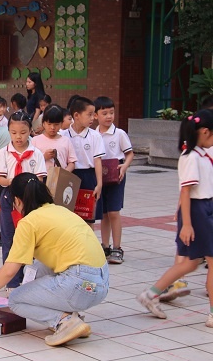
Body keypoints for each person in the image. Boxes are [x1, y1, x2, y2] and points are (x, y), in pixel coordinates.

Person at [0, 173, 109, 346]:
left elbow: (10, 269)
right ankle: (73, 316)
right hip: (101, 285)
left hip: (79, 286)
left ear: (18, 201)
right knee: (35, 267)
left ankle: (65, 322)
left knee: (16, 299)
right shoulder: (60, 210)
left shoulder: (28, 223)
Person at [136, 109, 213, 327]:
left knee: (189, 264)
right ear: (206, 132)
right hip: (197, 211)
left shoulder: (205, 153)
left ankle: (150, 294)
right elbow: (186, 193)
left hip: (207, 208)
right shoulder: (190, 157)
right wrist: (186, 224)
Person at [0, 112, 47, 286]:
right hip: (9, 197)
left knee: (30, 240)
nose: (18, 137)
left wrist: (25, 185)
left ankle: (29, 280)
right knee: (9, 239)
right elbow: (0, 179)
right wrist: (14, 182)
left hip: (30, 198)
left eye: (23, 132)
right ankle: (12, 282)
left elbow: (40, 178)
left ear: (30, 131)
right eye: (14, 132)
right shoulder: (4, 152)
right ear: (8, 131)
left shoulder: (36, 153)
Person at [94, 96, 134, 264]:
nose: (109, 116)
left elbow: (130, 153)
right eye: (105, 113)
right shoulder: (93, 134)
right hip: (99, 175)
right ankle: (105, 245)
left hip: (116, 174)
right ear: (96, 115)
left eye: (111, 112)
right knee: (103, 214)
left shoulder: (119, 134)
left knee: (114, 212)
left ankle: (117, 248)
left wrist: (124, 166)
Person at [65, 96, 105, 227]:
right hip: (69, 176)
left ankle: (88, 246)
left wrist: (99, 184)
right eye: (89, 115)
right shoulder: (63, 135)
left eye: (94, 115)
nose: (93, 118)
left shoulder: (95, 136)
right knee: (68, 216)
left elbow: (97, 161)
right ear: (76, 115)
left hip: (88, 177)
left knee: (88, 217)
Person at [32, 105, 77, 172]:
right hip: (41, 178)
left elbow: (72, 162)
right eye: (49, 124)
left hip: (60, 178)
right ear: (43, 123)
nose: (52, 127)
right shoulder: (35, 140)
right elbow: (30, 162)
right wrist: (44, 157)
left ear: (61, 124)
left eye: (56, 124)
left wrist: (64, 173)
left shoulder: (66, 140)